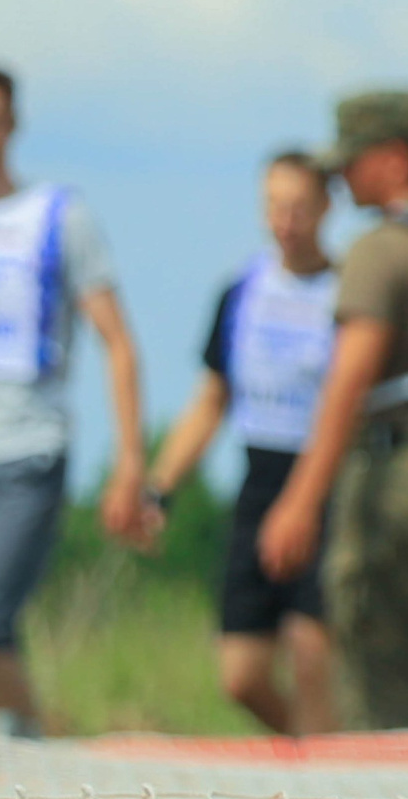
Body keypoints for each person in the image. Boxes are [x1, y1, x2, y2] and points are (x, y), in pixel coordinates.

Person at [0, 59, 150, 738]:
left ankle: (40, 747)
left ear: (11, 125)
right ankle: (11, 774)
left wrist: (131, 461)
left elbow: (117, 341)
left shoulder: (60, 217)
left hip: (27, 449)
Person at [256, 89, 408, 729]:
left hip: (399, 487)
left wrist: (300, 501)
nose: (339, 179)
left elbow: (350, 379)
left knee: (379, 690)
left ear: (395, 160)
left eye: (352, 160)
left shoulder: (382, 249)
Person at [145, 152, 340, 735]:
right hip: (259, 478)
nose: (287, 221)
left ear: (326, 208)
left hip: (327, 482)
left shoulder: (346, 291)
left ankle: (339, 796)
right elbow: (211, 400)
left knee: (311, 651)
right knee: (241, 675)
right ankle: (313, 756)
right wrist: (160, 487)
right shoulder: (242, 292)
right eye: (276, 207)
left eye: (300, 207)